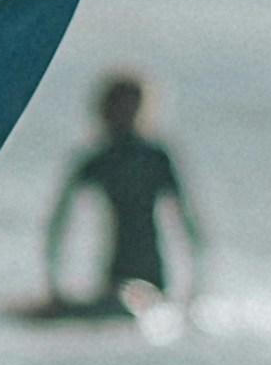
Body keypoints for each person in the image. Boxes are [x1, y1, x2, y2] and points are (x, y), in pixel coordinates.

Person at [42, 70, 197, 318]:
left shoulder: (155, 158)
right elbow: (58, 223)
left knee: (133, 309)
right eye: (118, 107)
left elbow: (187, 220)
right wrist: (54, 285)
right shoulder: (98, 160)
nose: (123, 114)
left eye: (130, 107)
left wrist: (195, 287)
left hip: (152, 272)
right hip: (115, 274)